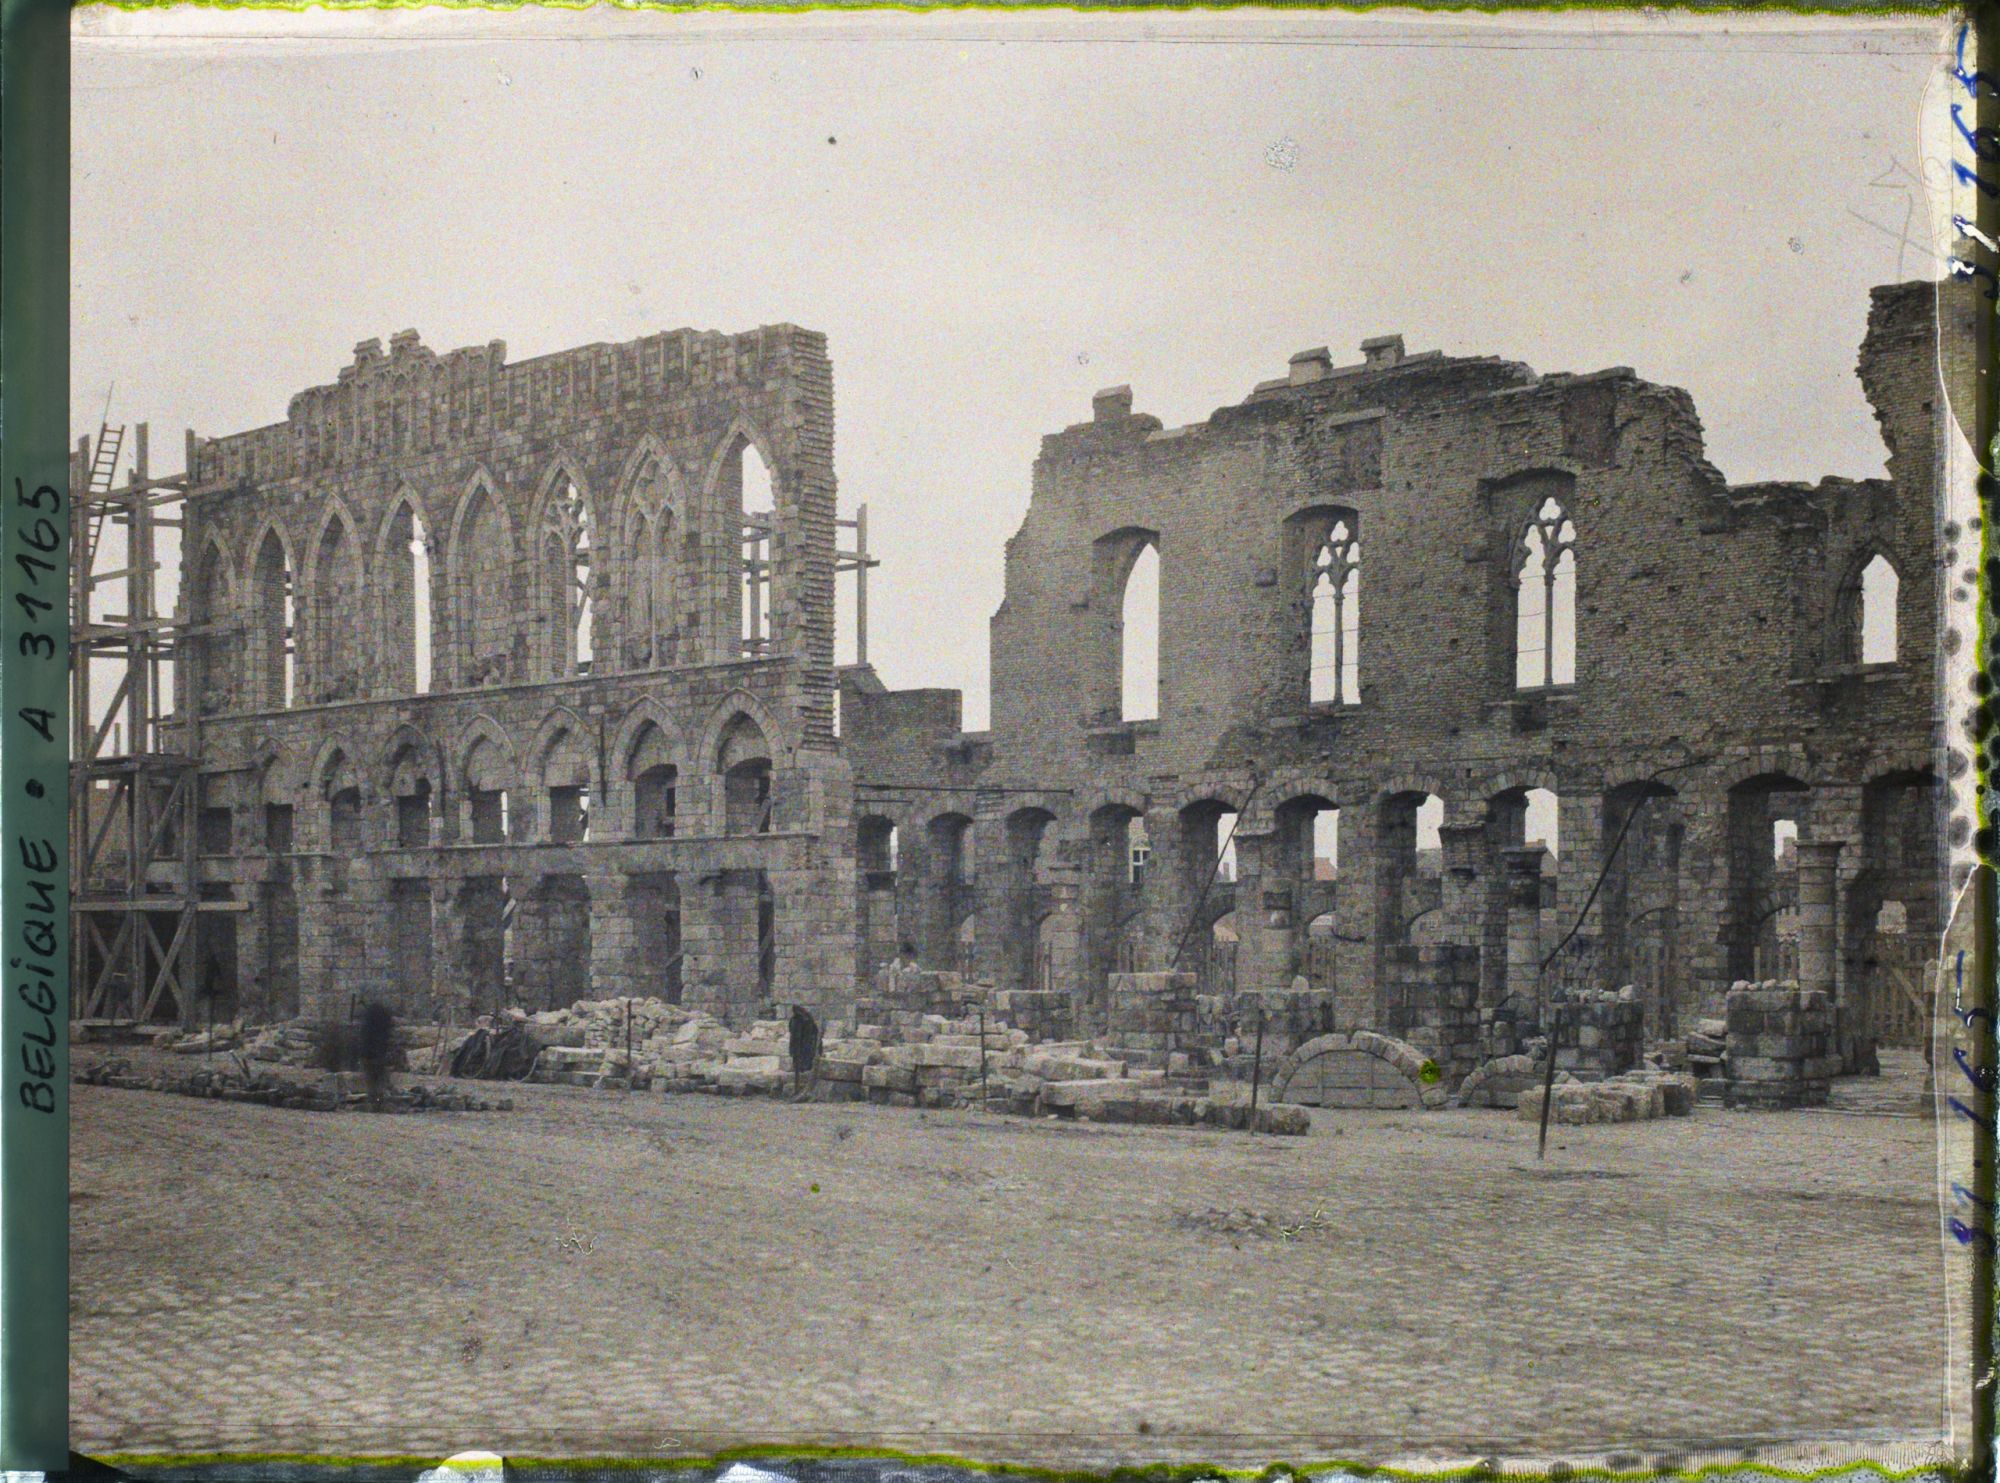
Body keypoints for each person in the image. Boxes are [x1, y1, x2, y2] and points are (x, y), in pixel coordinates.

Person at [358, 1000, 395, 1111]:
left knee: (370, 1081)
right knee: (379, 1080)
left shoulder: (367, 1025)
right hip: (379, 1054)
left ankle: (373, 1103)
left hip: (367, 1054)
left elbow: (362, 1037)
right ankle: (379, 1102)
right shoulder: (384, 1027)